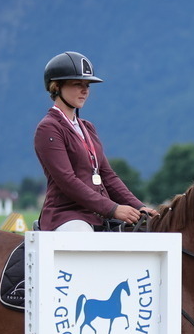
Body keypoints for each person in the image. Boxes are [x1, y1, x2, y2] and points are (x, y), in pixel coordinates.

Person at [35, 51, 156, 231]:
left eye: (87, 85)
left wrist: (139, 206)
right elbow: (67, 181)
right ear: (56, 86)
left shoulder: (87, 127)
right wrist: (113, 209)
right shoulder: (49, 128)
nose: (85, 90)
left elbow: (107, 175)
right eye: (77, 84)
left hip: (98, 215)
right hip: (67, 216)